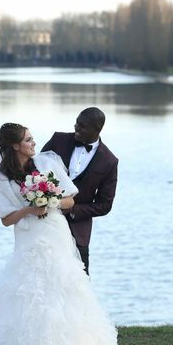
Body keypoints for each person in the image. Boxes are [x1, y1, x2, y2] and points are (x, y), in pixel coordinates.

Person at [0, 123, 138, 345]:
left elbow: (71, 199)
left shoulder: (47, 164)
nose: (34, 143)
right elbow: (6, 219)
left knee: (62, 286)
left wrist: (52, 199)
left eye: (32, 139)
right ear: (15, 146)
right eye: (28, 140)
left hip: (55, 232)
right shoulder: (1, 178)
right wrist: (31, 209)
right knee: (27, 289)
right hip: (28, 237)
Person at [41, 107, 117, 276]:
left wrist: (73, 210)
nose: (76, 127)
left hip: (77, 232)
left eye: (82, 126)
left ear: (97, 129)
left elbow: (105, 205)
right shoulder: (58, 140)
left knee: (80, 283)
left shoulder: (109, 161)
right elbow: (36, 171)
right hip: (43, 223)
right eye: (76, 122)